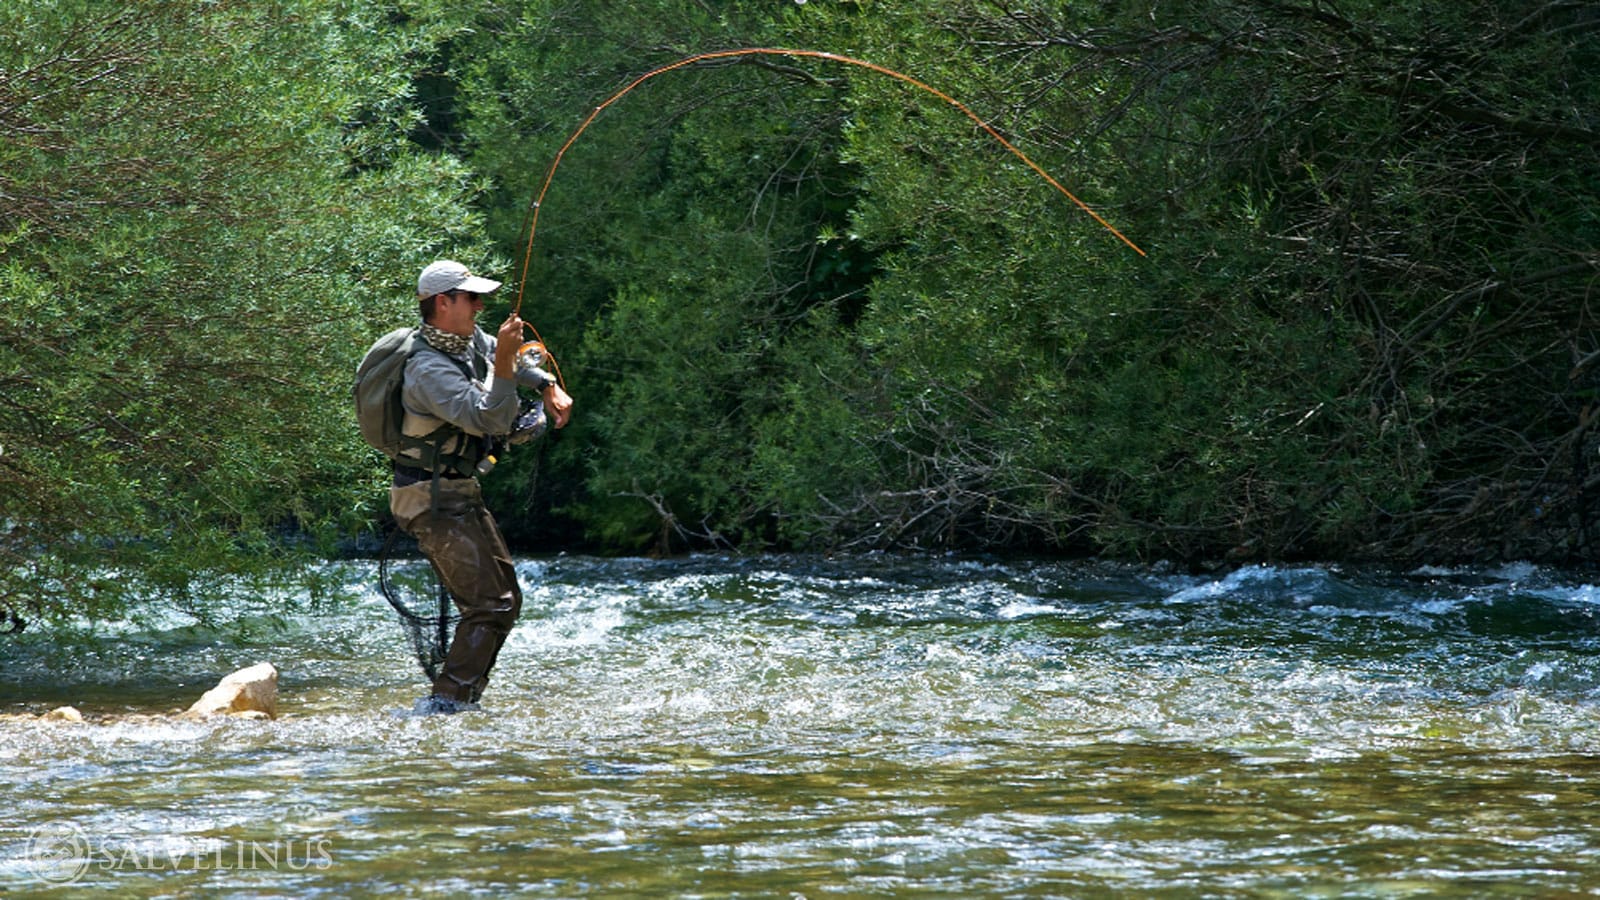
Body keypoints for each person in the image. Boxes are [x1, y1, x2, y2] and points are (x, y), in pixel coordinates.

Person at [391, 259, 573, 714]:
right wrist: (508, 366)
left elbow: (504, 354)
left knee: (505, 602)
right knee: (490, 606)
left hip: (457, 492)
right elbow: (490, 417)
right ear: (442, 302)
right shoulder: (427, 369)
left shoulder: (466, 341)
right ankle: (445, 708)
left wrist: (547, 384)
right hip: (427, 499)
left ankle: (458, 701)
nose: (480, 304)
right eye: (471, 297)